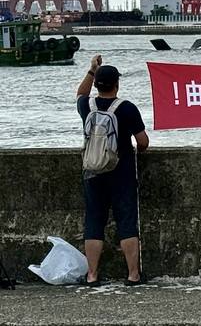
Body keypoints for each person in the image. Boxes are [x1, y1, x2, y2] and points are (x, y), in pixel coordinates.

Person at [76, 55, 149, 287]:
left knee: (94, 222)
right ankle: (133, 275)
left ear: (97, 84)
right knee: (126, 221)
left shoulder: (87, 106)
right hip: (122, 173)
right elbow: (143, 141)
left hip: (92, 173)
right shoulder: (126, 108)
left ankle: (92, 275)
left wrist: (91, 70)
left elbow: (80, 94)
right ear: (117, 84)